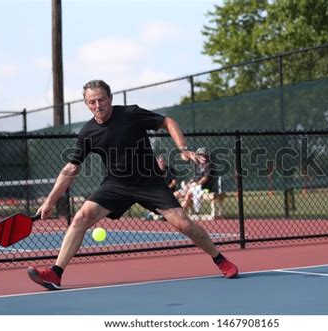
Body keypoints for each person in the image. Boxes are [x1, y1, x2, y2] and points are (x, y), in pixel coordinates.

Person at [27, 80, 238, 290]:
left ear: (110, 98)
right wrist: (50, 201)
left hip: (149, 182)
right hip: (116, 185)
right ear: (86, 103)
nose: (98, 105)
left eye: (101, 99)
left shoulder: (130, 114)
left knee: (183, 224)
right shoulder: (87, 132)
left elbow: (168, 122)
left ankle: (219, 259)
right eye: (92, 102)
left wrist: (183, 148)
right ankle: (55, 273)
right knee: (81, 217)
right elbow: (71, 169)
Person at [175, 147, 212, 214]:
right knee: (176, 194)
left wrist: (196, 184)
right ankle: (171, 211)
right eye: (199, 154)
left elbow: (205, 178)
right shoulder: (198, 165)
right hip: (194, 186)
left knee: (189, 193)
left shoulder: (208, 165)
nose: (201, 156)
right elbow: (194, 178)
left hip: (203, 187)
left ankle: (181, 212)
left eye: (202, 154)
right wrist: (188, 184)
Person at [144, 155, 177, 220]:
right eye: (160, 161)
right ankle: (152, 214)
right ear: (157, 162)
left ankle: (161, 215)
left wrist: (166, 189)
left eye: (163, 161)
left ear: (165, 162)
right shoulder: (154, 171)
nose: (162, 162)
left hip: (169, 191)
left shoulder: (170, 170)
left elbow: (174, 183)